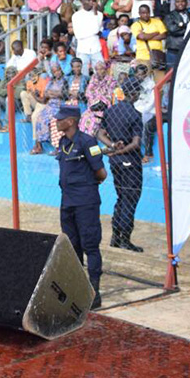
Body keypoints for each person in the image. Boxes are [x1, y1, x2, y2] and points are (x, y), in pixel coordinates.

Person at [54, 105, 107, 309]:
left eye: (61, 119)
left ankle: (94, 292)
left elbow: (101, 173)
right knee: (72, 246)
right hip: (67, 202)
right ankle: (78, 288)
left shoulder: (88, 142)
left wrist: (87, 185)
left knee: (90, 245)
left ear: (71, 121)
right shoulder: (63, 141)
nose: (57, 122)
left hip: (85, 202)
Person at [97, 77, 144, 252]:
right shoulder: (135, 114)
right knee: (130, 198)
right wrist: (120, 150)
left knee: (121, 197)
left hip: (115, 162)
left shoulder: (111, 111)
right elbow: (136, 143)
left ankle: (116, 237)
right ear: (135, 94)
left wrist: (112, 147)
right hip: (130, 162)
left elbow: (100, 134)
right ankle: (125, 239)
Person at [71, 0, 104, 76]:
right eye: (88, 0)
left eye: (92, 0)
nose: (91, 2)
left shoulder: (99, 14)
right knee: (83, 74)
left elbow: (97, 29)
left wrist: (95, 12)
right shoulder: (76, 15)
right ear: (82, 2)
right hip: (83, 49)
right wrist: (94, 32)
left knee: (100, 72)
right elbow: (78, 34)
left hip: (96, 48)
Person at [163, 0, 190, 68]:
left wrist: (181, 25)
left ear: (186, 2)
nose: (180, 3)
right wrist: (187, 27)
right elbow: (172, 30)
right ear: (174, 3)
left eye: (182, 1)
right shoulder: (169, 16)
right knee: (171, 72)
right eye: (178, 1)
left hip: (188, 47)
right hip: (174, 48)